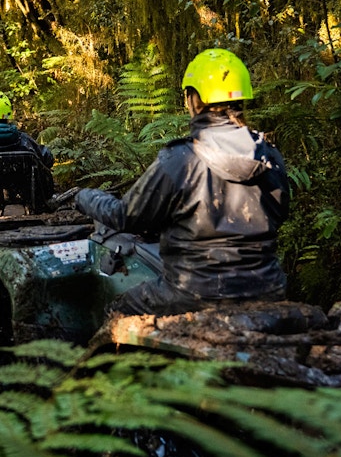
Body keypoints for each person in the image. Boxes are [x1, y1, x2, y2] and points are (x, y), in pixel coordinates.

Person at [75, 48, 289, 316]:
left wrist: (86, 197)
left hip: (194, 293)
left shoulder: (181, 159)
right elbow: (280, 213)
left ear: (195, 100)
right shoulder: (269, 155)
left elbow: (125, 216)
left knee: (117, 312)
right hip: (268, 288)